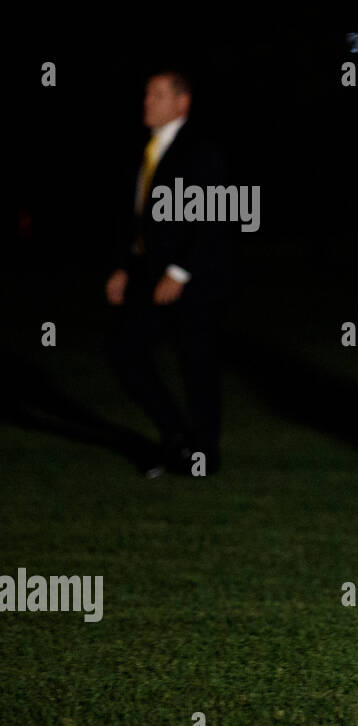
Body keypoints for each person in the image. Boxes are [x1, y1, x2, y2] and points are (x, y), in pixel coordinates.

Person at [106, 70, 233, 476]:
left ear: (182, 103)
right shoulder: (146, 151)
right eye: (146, 94)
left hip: (193, 281)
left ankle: (203, 456)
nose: (147, 101)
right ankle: (176, 438)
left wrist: (180, 272)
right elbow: (140, 220)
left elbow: (215, 218)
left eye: (157, 94)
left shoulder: (200, 151)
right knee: (126, 354)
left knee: (197, 364)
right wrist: (125, 267)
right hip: (147, 275)